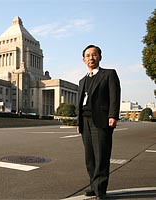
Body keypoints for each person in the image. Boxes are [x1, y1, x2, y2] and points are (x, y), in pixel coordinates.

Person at [77, 45, 121, 200]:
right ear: (83, 60)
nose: (91, 58)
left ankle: (100, 189)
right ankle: (93, 186)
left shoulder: (108, 74)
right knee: (90, 157)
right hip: (85, 121)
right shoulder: (82, 81)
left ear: (100, 57)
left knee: (101, 156)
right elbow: (80, 102)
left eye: (94, 54)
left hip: (101, 121)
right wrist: (79, 122)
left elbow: (114, 96)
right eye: (88, 55)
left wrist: (113, 115)